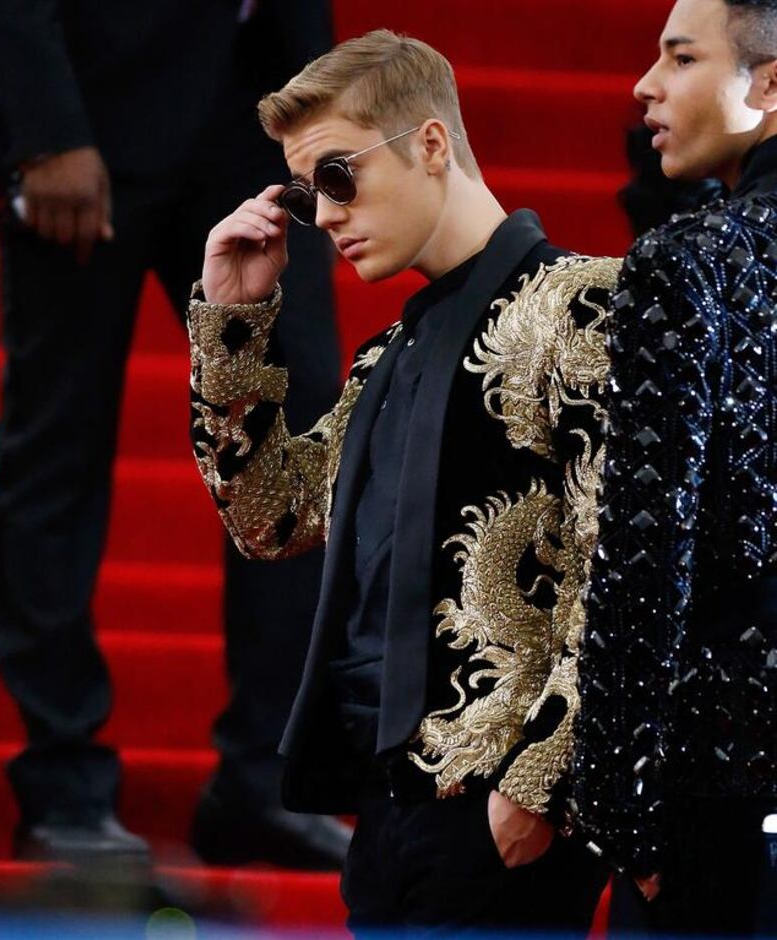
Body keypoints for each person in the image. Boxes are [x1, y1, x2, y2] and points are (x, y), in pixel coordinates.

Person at [189, 28, 620, 934]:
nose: (327, 214)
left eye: (339, 174)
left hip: (506, 807)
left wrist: (541, 784)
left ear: (431, 144)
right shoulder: (387, 353)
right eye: (308, 195)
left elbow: (622, 565)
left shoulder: (581, 306)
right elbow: (273, 518)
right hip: (386, 810)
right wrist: (232, 322)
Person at [0, 0, 347, 866]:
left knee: (296, 431)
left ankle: (265, 779)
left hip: (255, 111)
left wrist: (329, 117)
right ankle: (61, 781)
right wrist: (44, 126)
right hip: (89, 112)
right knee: (59, 446)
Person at [573, 0, 777, 934]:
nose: (643, 86)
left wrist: (619, 809)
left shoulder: (690, 261)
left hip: (722, 789)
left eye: (680, 57)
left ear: (768, 84)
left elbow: (644, 561)